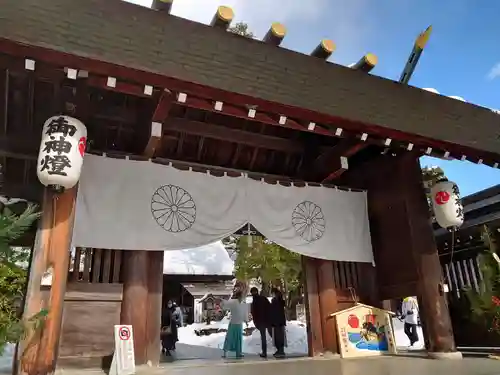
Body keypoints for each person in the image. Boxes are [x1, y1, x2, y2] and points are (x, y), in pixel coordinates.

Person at [220, 290, 247, 359]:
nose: (242, 297)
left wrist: (246, 320)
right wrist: (222, 301)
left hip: (239, 323)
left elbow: (244, 313)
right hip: (233, 323)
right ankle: (225, 352)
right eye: (241, 296)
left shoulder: (243, 303)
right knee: (229, 338)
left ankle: (239, 353)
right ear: (239, 296)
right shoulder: (233, 302)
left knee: (238, 339)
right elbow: (225, 305)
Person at [250, 287, 271, 358]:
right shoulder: (263, 298)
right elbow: (269, 307)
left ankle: (264, 352)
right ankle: (280, 349)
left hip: (261, 321)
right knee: (272, 335)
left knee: (263, 337)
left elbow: (253, 313)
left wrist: (256, 322)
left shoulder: (254, 301)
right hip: (267, 320)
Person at [269, 288, 286, 358]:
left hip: (276, 321)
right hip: (281, 321)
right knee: (281, 336)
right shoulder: (281, 301)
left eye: (272, 293)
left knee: (277, 336)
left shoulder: (274, 301)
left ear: (274, 293)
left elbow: (273, 311)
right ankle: (281, 350)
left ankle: (280, 350)